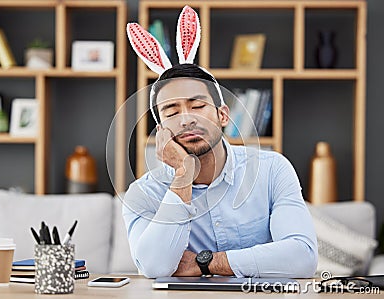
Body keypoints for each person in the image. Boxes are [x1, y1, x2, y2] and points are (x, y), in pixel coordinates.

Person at [123, 6, 317, 279]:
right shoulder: (142, 194)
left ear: (222, 114)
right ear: (160, 130)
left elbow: (303, 257)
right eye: (172, 111)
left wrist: (206, 263)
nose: (186, 119)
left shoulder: (272, 170)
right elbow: (155, 268)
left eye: (197, 105)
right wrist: (182, 176)